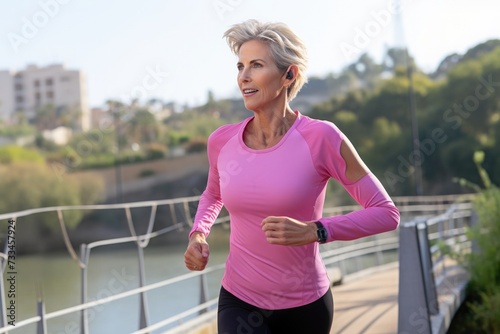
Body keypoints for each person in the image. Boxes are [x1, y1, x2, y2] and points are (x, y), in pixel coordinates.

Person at [184, 19, 400, 334]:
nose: (244, 76)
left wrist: (318, 230)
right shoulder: (221, 141)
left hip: (306, 307)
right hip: (239, 300)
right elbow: (213, 194)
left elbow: (386, 214)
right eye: (240, 66)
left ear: (289, 74)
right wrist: (198, 234)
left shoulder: (321, 138)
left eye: (256, 65)